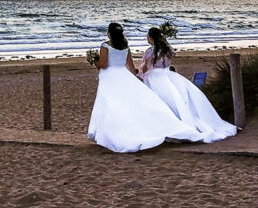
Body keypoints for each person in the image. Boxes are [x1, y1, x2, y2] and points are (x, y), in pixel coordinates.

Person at [87, 23, 203, 152]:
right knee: (123, 104)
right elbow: (131, 68)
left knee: (108, 104)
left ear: (109, 33)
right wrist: (136, 75)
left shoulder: (105, 45)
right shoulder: (125, 47)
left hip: (109, 77)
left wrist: (94, 61)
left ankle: (110, 134)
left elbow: (103, 64)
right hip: (124, 76)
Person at [140, 27, 236, 143]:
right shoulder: (168, 50)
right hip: (168, 75)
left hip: (155, 77)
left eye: (148, 36)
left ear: (151, 37)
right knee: (176, 102)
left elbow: (146, 68)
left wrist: (139, 75)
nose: (147, 38)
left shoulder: (151, 51)